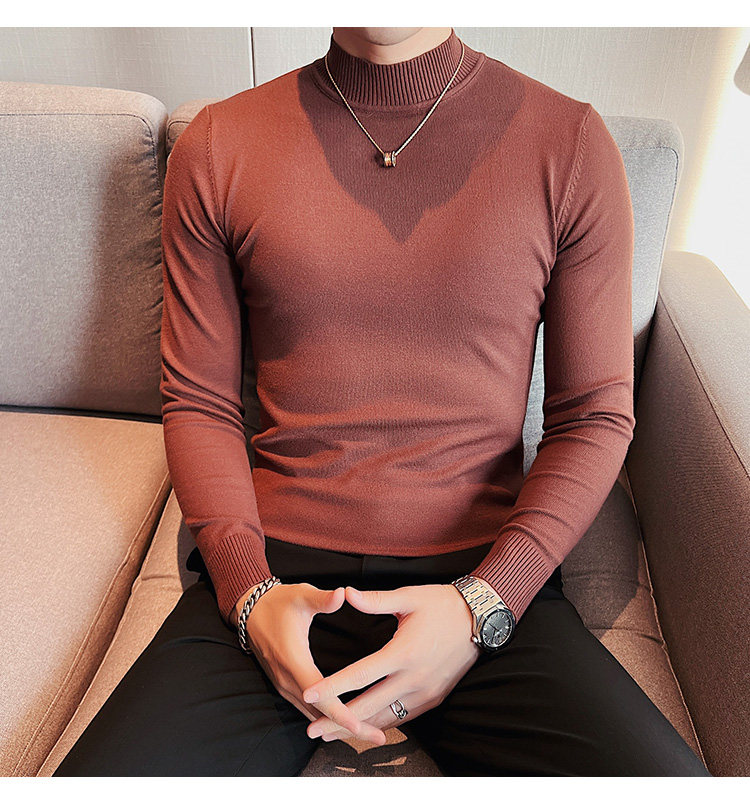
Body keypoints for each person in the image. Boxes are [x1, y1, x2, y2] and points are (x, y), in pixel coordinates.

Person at [53, 26, 711, 776]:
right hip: (277, 578)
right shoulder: (218, 145)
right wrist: (248, 594)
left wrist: (485, 603)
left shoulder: (570, 146)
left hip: (479, 577)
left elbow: (593, 416)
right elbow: (200, 401)